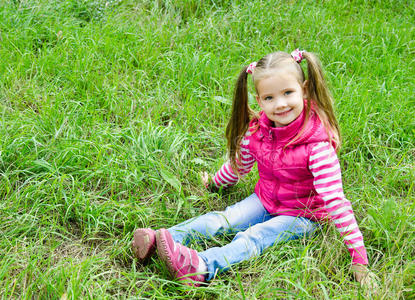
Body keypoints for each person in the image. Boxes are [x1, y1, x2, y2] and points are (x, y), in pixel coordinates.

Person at [132, 49, 376, 287]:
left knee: (254, 237)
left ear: (304, 90)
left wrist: (359, 261)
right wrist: (214, 183)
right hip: (265, 199)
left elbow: (337, 202)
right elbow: (238, 167)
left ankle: (201, 267)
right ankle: (163, 239)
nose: (280, 104)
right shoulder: (258, 132)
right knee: (223, 219)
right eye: (269, 98)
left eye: (288, 93)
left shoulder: (317, 147)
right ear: (259, 100)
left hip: (303, 216)